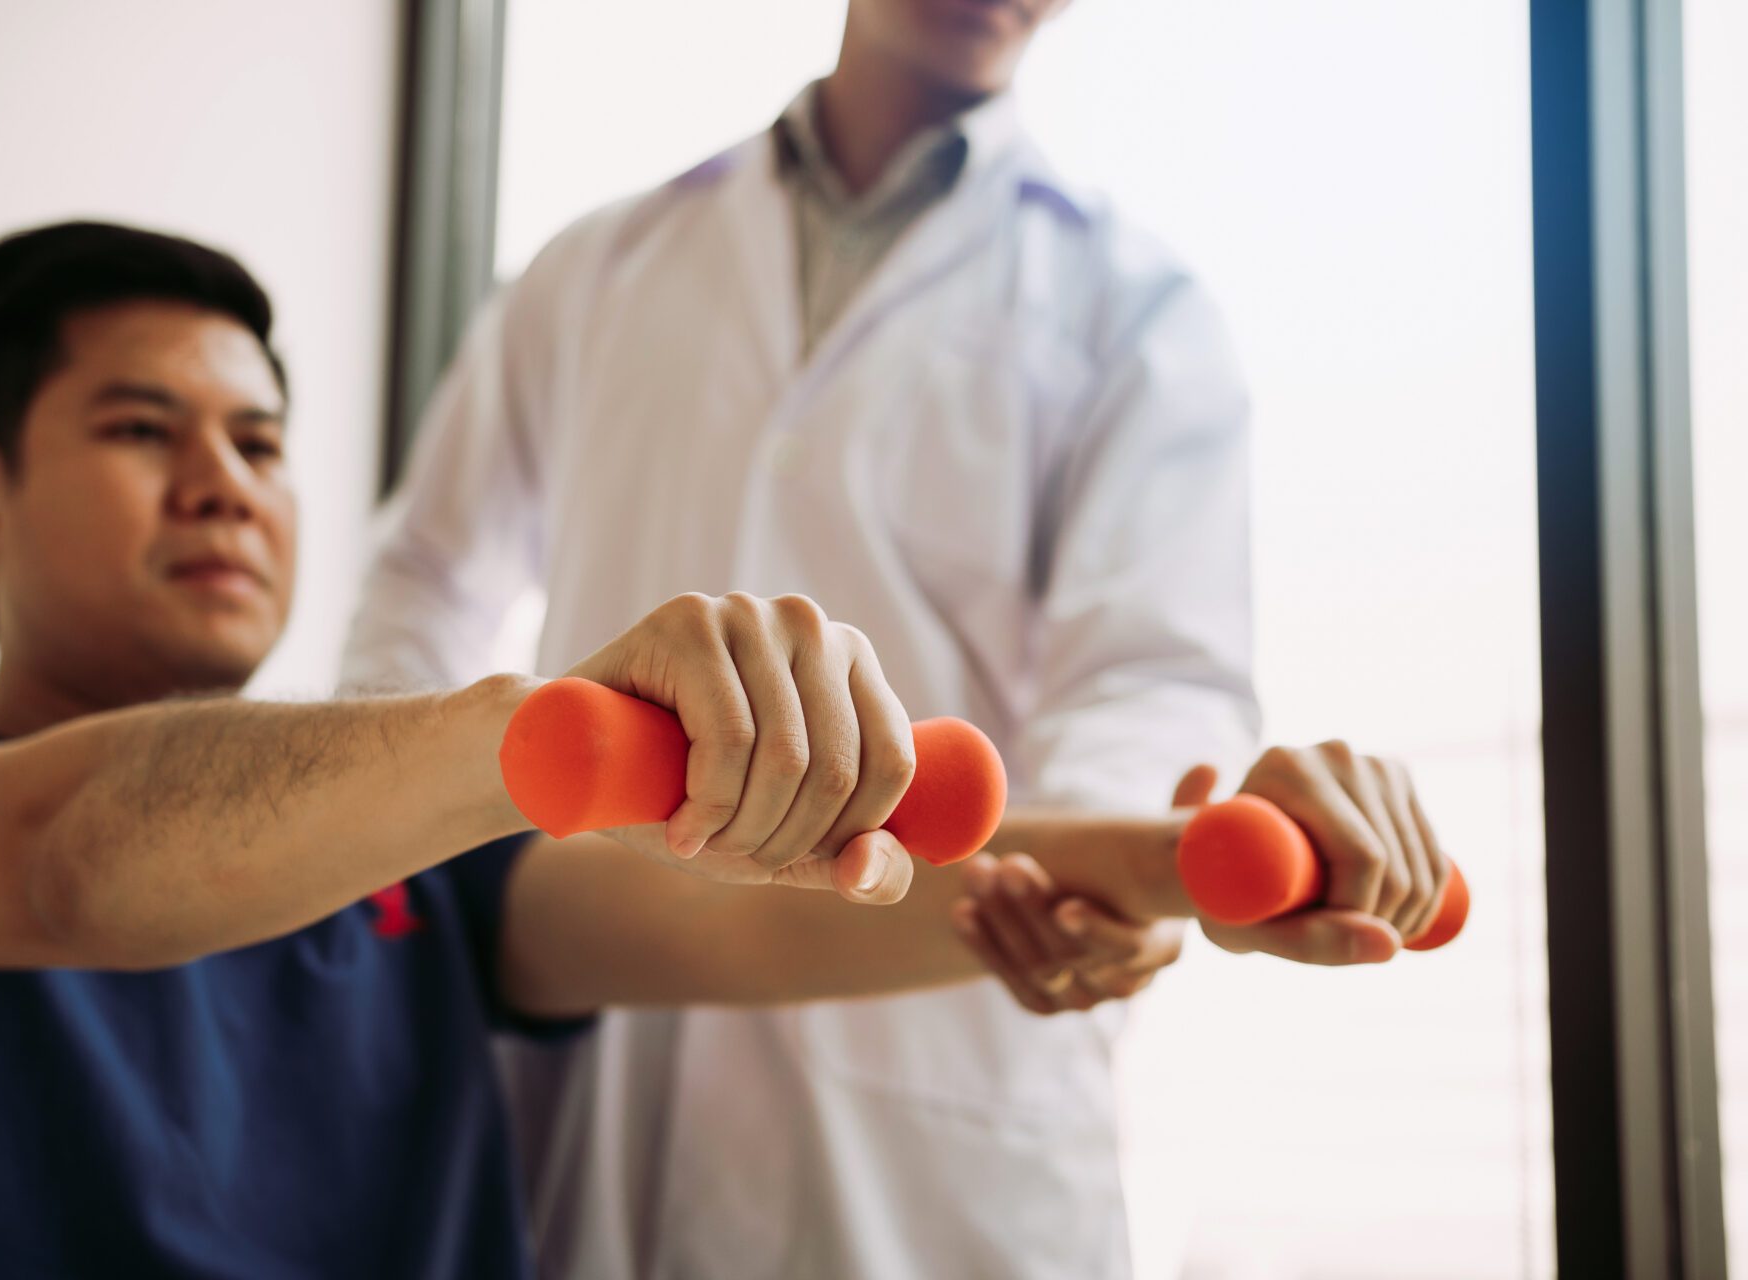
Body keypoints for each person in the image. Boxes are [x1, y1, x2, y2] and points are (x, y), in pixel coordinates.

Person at [0, 222, 1429, 1279]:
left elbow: (762, 906)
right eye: (139, 429)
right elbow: (66, 860)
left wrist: (1172, 873)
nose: (224, 483)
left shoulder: (431, 896)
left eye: (258, 442)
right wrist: (533, 732)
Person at [342, 0, 1456, 1275]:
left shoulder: (1136, 308)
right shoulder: (601, 262)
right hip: (601, 1006)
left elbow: (1151, 674)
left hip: (938, 1027)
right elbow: (422, 581)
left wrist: (1108, 871)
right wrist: (403, 876)